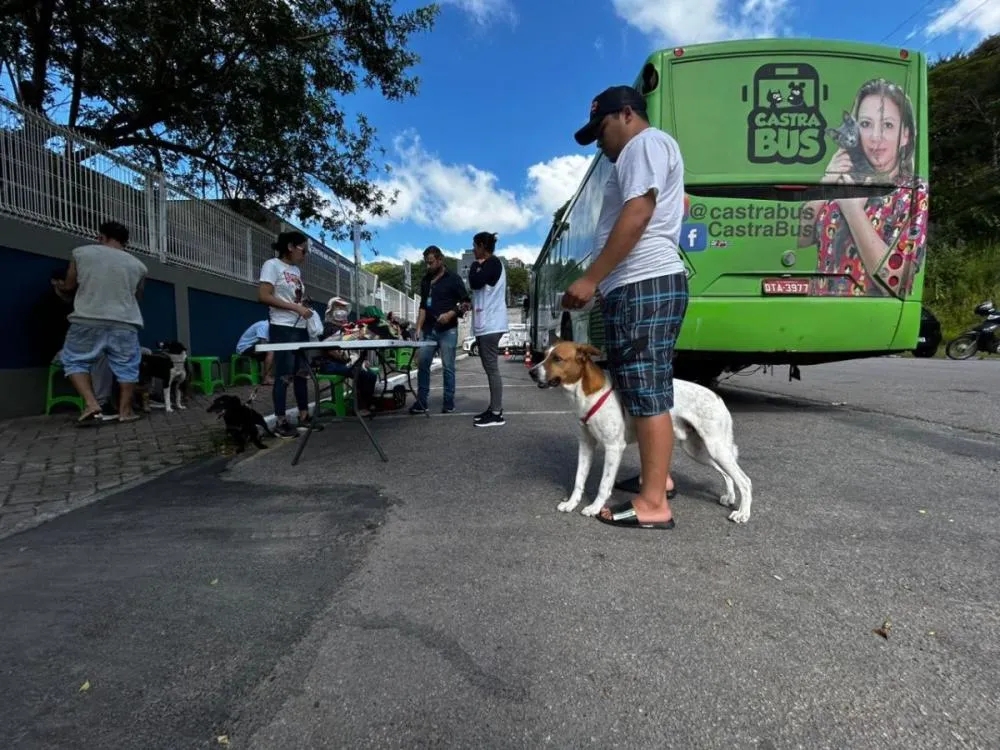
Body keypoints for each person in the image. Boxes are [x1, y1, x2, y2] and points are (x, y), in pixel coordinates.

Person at [562, 85, 688, 530]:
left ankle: (654, 503)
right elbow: (678, 205)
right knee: (639, 384)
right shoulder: (652, 150)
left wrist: (592, 277)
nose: (599, 140)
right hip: (639, 284)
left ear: (627, 114)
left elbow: (637, 213)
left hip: (643, 285)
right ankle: (661, 479)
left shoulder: (644, 144)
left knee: (647, 387)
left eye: (602, 128)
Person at [798, 78, 928, 299]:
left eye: (887, 125)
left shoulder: (913, 192)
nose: (875, 137)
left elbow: (899, 284)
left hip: (872, 322)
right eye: (866, 124)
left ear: (905, 134)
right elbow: (800, 239)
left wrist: (852, 210)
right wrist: (825, 185)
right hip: (818, 316)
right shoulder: (844, 179)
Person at [57, 220, 148, 425]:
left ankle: (91, 403)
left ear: (101, 237)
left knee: (74, 360)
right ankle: (125, 412)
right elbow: (138, 296)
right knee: (127, 367)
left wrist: (59, 286)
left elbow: (69, 286)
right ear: (126, 243)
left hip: (87, 318)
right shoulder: (139, 266)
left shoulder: (81, 253)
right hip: (125, 321)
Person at [258, 230, 315, 439]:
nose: (305, 255)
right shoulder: (272, 265)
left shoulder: (296, 271)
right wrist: (294, 307)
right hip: (282, 326)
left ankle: (304, 415)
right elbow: (263, 295)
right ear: (290, 246)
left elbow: (292, 297)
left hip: (300, 326)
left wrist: (302, 305)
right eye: (303, 250)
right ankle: (281, 421)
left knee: (302, 372)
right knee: (283, 374)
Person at [411, 245, 469, 414]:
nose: (428, 267)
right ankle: (422, 402)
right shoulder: (425, 281)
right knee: (423, 365)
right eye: (426, 263)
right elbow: (423, 306)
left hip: (448, 330)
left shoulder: (454, 279)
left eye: (431, 263)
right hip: (428, 330)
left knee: (448, 367)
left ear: (440, 260)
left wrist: (451, 314)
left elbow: (466, 303)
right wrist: (418, 328)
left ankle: (448, 402)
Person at [467, 231, 508, 427]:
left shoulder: (492, 263)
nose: (473, 250)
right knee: (489, 368)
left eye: (475, 246)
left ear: (483, 246)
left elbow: (475, 281)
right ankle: (493, 408)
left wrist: (475, 267)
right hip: (486, 324)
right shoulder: (486, 265)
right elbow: (476, 284)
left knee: (491, 368)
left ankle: (497, 413)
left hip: (492, 324)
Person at [318, 296, 378, 416]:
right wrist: (351, 360)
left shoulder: (347, 328)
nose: (341, 310)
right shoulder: (328, 327)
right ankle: (359, 407)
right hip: (330, 364)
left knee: (371, 375)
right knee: (360, 373)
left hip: (344, 362)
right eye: (338, 307)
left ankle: (365, 402)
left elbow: (353, 349)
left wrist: (360, 360)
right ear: (331, 310)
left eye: (343, 308)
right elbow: (332, 351)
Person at [235, 320, 273, 384]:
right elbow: (263, 345)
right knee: (271, 351)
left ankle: (268, 376)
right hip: (244, 349)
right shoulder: (264, 325)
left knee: (275, 350)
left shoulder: (269, 327)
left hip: (254, 348)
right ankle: (266, 378)